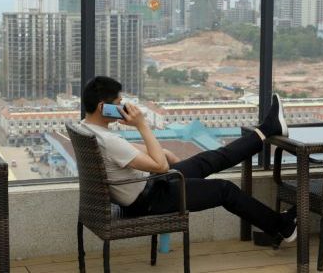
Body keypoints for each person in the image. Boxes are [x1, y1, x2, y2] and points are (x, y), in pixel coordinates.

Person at [79, 76, 296, 243]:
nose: (122, 108)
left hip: (151, 185)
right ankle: (282, 227)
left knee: (210, 159)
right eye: (118, 104)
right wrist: (142, 125)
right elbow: (161, 166)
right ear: (102, 107)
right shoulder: (107, 140)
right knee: (224, 189)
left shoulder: (85, 128)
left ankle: (268, 129)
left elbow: (131, 151)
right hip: (151, 199)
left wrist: (161, 150)